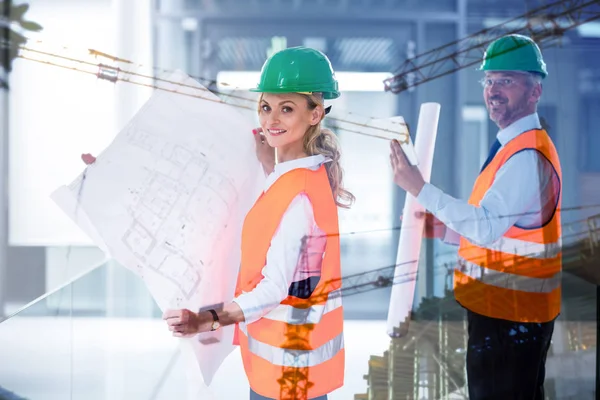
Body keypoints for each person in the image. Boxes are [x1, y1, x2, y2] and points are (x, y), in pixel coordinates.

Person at [163, 47, 353, 400]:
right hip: (293, 363)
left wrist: (204, 319)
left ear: (315, 114)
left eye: (287, 108)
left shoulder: (298, 194)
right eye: (266, 107)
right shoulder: (303, 176)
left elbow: (273, 288)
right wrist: (269, 164)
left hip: (286, 374)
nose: (271, 120)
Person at [389, 34, 562, 400]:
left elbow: (485, 227)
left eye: (506, 81)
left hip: (511, 315)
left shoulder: (526, 156)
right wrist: (445, 230)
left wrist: (421, 188)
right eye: (489, 80)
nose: (494, 90)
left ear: (535, 91)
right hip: (507, 312)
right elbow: (502, 228)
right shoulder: (513, 147)